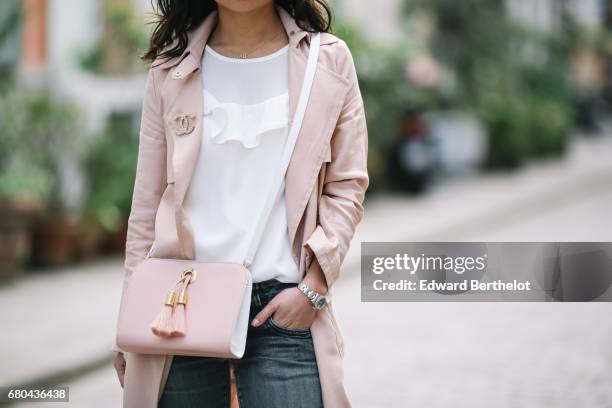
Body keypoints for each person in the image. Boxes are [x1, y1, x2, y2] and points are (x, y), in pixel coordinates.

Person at [112, 1, 368, 407]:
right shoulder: (170, 68)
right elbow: (146, 206)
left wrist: (314, 288)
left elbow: (346, 186)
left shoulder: (328, 59)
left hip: (284, 309)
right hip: (180, 308)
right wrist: (130, 315)